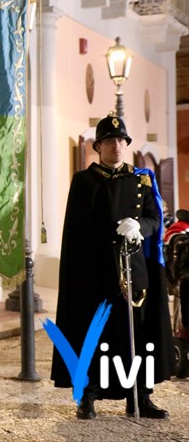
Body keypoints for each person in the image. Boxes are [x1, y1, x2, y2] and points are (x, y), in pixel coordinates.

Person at [51, 113, 173, 420]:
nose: (116, 146)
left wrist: (139, 226)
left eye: (121, 140)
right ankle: (88, 396)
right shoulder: (84, 181)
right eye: (109, 141)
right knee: (94, 335)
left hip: (133, 271)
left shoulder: (141, 180)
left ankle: (139, 397)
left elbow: (154, 219)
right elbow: (75, 232)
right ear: (98, 147)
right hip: (95, 273)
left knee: (137, 336)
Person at [164, 209, 189, 340]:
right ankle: (177, 335)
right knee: (180, 307)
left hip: (175, 273)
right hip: (178, 273)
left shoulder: (174, 229)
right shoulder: (181, 232)